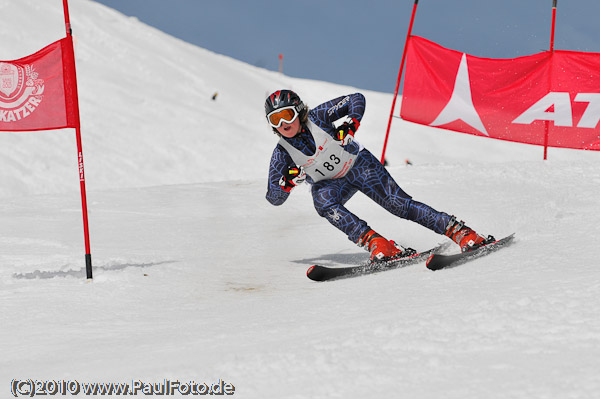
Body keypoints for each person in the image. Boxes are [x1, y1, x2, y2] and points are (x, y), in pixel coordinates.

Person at [264, 89, 491, 261]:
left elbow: (356, 99)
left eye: (286, 115)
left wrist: (351, 124)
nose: (283, 123)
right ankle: (379, 244)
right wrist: (287, 183)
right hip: (333, 185)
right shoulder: (282, 153)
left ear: (299, 112)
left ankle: (460, 231)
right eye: (275, 120)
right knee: (322, 201)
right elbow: (274, 198)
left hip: (360, 166)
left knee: (399, 205)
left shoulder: (319, 117)